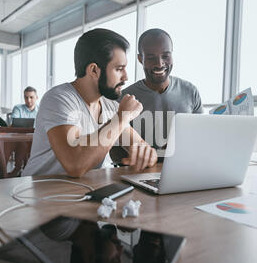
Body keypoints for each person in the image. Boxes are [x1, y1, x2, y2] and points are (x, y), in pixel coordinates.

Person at [22, 28, 158, 178]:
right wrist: (122, 117)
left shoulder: (111, 106)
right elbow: (75, 164)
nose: (126, 77)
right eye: (119, 69)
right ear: (93, 70)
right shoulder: (58, 99)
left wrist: (145, 154)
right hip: (40, 194)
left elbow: (140, 147)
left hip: (85, 192)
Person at [117, 28, 203, 159]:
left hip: (184, 168)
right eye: (151, 58)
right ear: (140, 59)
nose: (159, 63)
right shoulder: (124, 98)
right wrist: (153, 155)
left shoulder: (190, 91)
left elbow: (200, 137)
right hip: (139, 174)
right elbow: (115, 154)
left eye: (166, 56)